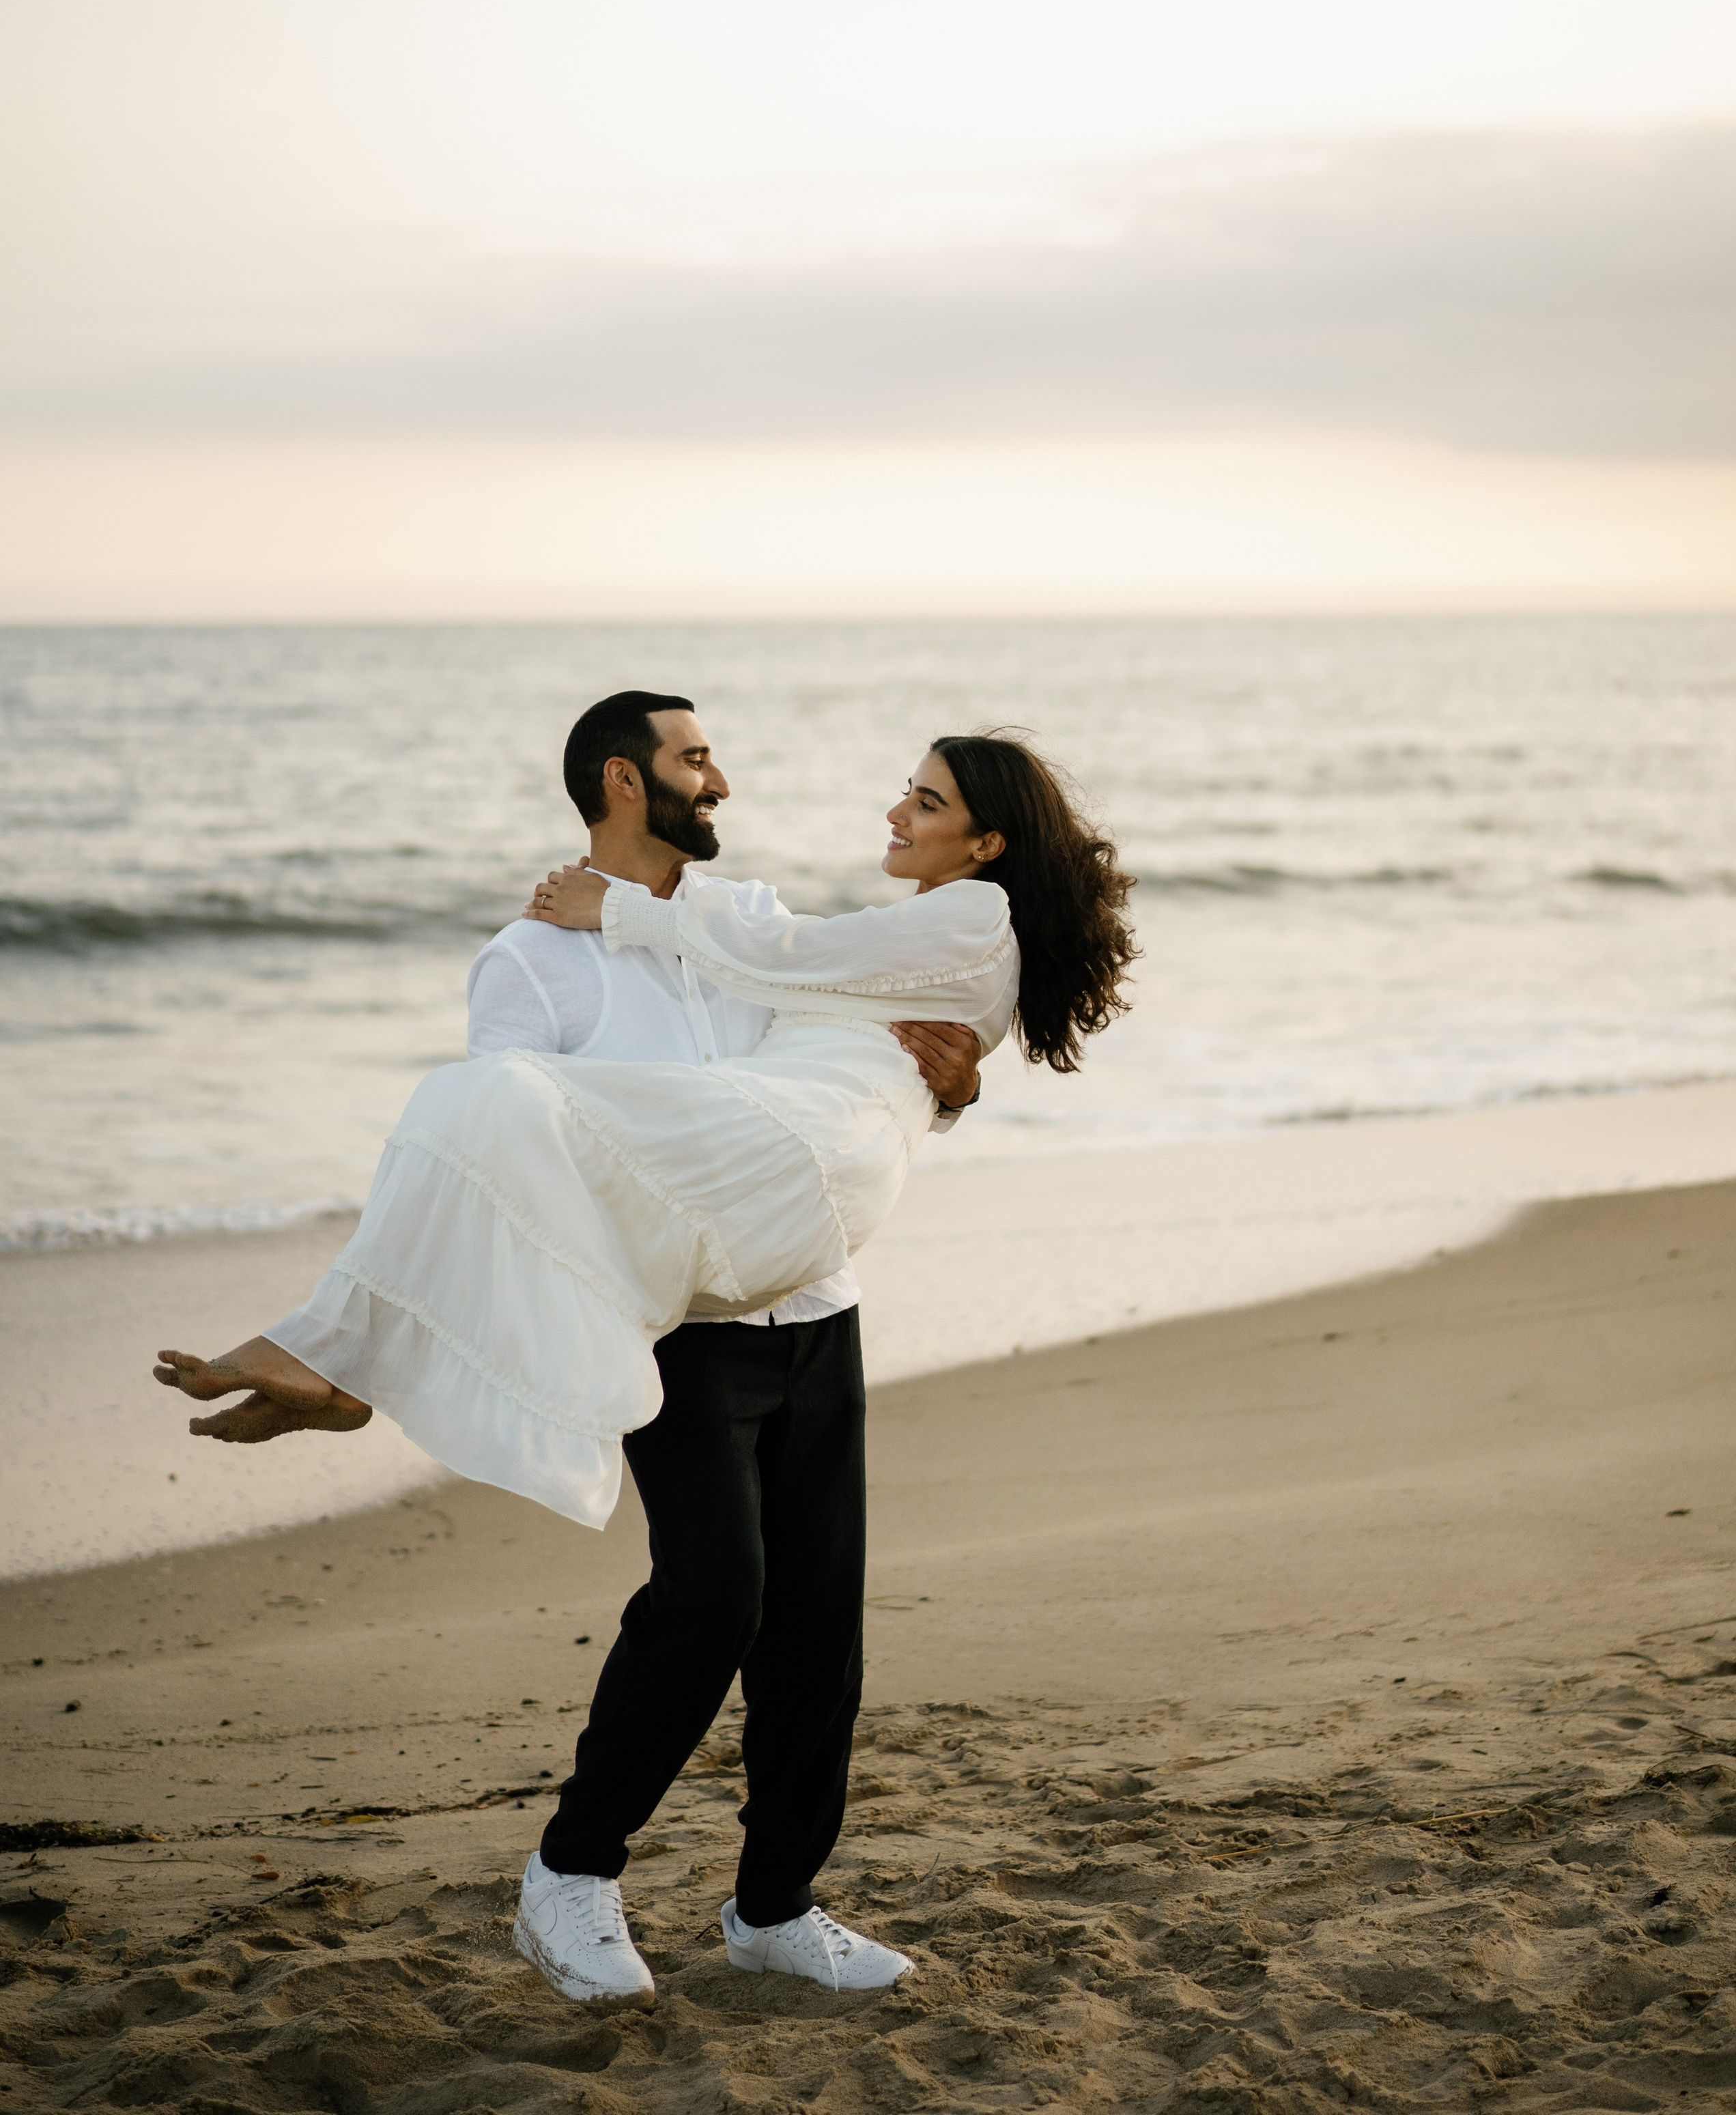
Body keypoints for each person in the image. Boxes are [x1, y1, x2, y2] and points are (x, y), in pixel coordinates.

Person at [154, 705, 1136, 2004]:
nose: (722, 780)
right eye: (693, 762)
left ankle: (777, 1907)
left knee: (815, 1630)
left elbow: (859, 1050)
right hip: (686, 1332)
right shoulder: (532, 959)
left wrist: (953, 1083)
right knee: (713, 1598)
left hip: (815, 1309)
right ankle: (571, 1877)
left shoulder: (744, 922)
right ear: (627, 781)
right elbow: (507, 1173)